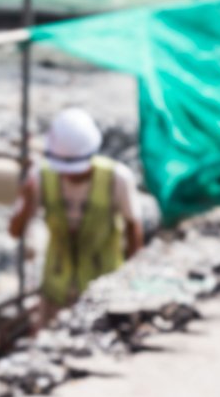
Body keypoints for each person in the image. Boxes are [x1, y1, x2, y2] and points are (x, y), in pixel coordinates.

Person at [8, 108, 145, 322]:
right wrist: (26, 200)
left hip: (103, 289)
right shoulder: (42, 177)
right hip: (56, 288)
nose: (69, 174)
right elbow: (16, 231)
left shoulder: (116, 178)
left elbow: (133, 227)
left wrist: (130, 277)